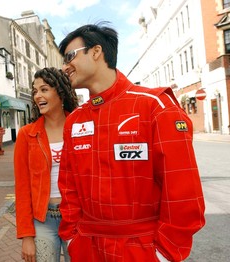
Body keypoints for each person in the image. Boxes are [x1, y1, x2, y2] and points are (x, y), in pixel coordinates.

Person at [57, 22, 206, 262]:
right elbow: (68, 186)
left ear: (96, 52)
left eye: (69, 57)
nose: (65, 67)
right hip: (87, 247)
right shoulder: (74, 121)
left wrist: (163, 254)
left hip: (141, 250)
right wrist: (73, 238)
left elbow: (183, 192)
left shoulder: (155, 106)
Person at [14, 67, 78, 262]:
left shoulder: (80, 127)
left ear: (60, 91)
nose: (37, 96)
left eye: (44, 89)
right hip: (42, 221)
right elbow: (22, 188)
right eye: (35, 91)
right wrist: (26, 236)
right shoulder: (27, 134)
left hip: (76, 219)